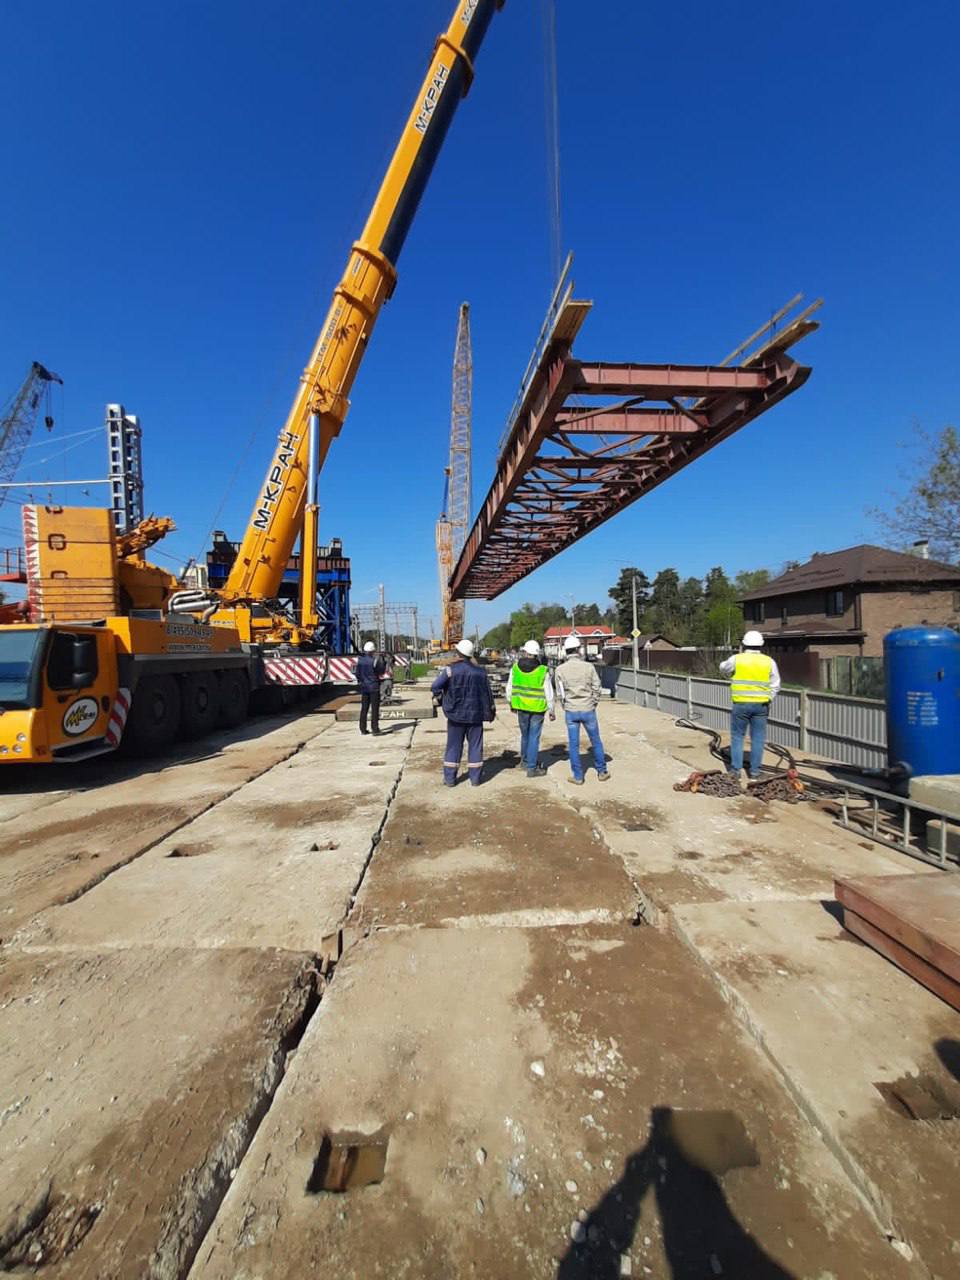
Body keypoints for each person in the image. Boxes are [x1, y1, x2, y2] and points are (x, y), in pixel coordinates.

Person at [430, 638, 496, 787]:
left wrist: (441, 697)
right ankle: (475, 779)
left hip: (455, 716)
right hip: (476, 716)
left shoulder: (450, 670)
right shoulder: (481, 672)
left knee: (453, 746)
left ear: (458, 652)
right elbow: (487, 694)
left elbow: (435, 686)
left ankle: (450, 779)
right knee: (475, 746)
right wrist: (490, 711)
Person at [719, 630, 781, 779]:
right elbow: (776, 684)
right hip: (761, 706)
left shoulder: (737, 659)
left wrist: (724, 666)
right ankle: (755, 772)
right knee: (758, 738)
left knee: (738, 737)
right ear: (761, 644)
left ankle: (735, 771)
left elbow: (724, 668)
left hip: (741, 704)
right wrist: (768, 698)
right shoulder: (769, 661)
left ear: (744, 644)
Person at [555, 634, 610, 785]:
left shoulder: (560, 670)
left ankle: (578, 776)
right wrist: (594, 702)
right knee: (595, 740)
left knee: (573, 745)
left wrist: (565, 705)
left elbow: (560, 692)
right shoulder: (588, 667)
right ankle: (602, 771)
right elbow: (597, 686)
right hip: (588, 708)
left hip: (571, 710)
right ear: (578, 650)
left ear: (566, 651)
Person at [506, 639, 555, 777]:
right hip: (537, 709)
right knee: (534, 737)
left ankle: (525, 761)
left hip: (521, 707)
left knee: (525, 735)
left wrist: (511, 702)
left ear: (525, 652)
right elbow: (548, 692)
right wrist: (551, 709)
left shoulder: (515, 668)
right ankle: (532, 768)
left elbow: (509, 688)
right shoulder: (542, 670)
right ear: (537, 654)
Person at [356, 640, 386, 736]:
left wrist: (362, 681)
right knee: (374, 709)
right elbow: (381, 672)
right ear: (373, 651)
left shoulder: (360, 660)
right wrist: (383, 661)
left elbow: (357, 674)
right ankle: (375, 729)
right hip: (374, 687)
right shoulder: (375, 661)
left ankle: (363, 729)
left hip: (364, 687)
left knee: (364, 708)